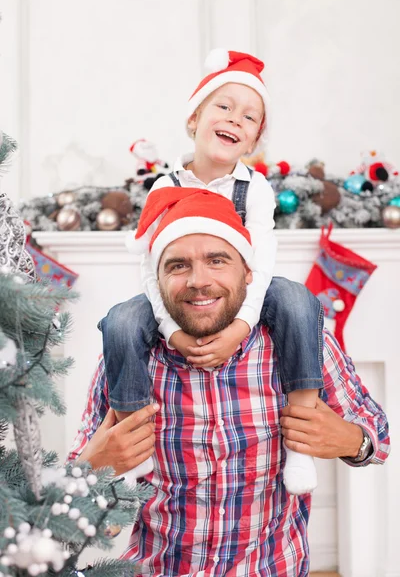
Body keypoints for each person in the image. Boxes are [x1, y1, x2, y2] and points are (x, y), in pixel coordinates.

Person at [69, 188, 390, 577]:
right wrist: (93, 466)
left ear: (249, 273)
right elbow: (67, 489)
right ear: (156, 281)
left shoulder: (300, 344)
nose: (198, 281)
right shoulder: (129, 356)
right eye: (177, 266)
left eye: (217, 261)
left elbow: (379, 439)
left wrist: (352, 441)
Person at [99, 49, 324, 495]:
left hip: (245, 289)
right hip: (174, 294)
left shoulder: (255, 190)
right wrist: (172, 332)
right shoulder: (166, 187)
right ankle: (131, 444)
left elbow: (260, 264)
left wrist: (242, 326)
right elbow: (151, 268)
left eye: (249, 116)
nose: (234, 118)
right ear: (194, 119)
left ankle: (301, 438)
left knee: (299, 301)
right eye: (223, 106)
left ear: (255, 140)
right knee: (121, 321)